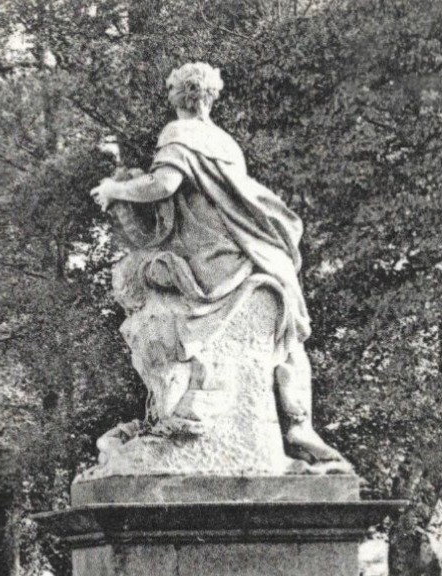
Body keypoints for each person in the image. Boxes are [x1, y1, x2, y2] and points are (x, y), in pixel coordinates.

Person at [90, 62, 344, 466]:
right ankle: (299, 423)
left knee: (139, 276)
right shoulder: (226, 142)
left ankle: (186, 416)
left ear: (177, 96)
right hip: (254, 253)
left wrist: (115, 189)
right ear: (211, 96)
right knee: (290, 336)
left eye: (171, 89)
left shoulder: (179, 133)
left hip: (212, 262)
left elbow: (164, 185)